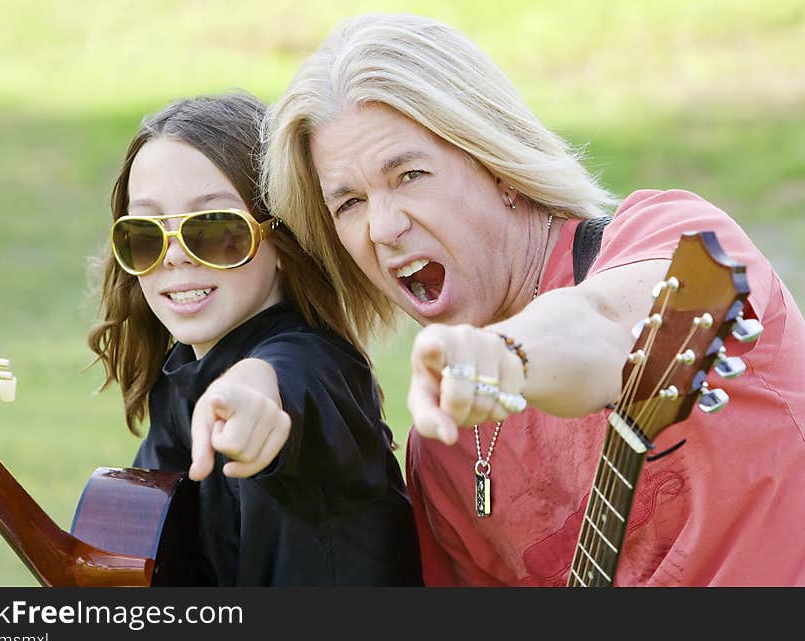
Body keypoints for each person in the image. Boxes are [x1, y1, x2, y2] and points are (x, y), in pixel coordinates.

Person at [261, 13, 805, 586]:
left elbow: (602, 324)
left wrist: (507, 356)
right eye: (348, 203)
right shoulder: (443, 453)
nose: (382, 227)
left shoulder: (680, 243)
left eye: (410, 175)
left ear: (499, 166)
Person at [87, 92, 422, 586]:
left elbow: (283, 381)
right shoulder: (180, 374)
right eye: (147, 233)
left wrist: (251, 394)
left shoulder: (317, 361)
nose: (175, 257)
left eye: (216, 229)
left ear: (282, 239)